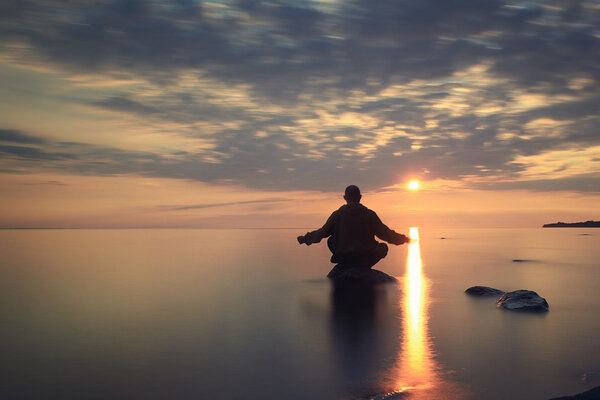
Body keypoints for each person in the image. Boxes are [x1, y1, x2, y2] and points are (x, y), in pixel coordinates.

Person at [297, 185, 409, 269]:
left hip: (345, 257)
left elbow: (321, 233)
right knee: (383, 247)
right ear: (360, 197)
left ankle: (345, 265)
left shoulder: (337, 215)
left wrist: (305, 238)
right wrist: (404, 239)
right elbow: (386, 234)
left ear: (345, 197)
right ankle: (360, 268)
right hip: (365, 258)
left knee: (331, 240)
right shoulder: (369, 215)